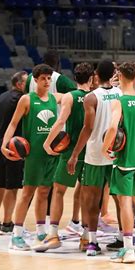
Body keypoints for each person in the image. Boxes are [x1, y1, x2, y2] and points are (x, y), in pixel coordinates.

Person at [32, 63, 95, 251]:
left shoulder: (69, 96)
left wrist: (47, 143)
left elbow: (61, 121)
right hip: (90, 152)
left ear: (75, 79)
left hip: (70, 151)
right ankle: (86, 237)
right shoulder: (95, 97)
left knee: (58, 191)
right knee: (87, 195)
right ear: (91, 79)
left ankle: (53, 235)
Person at [1, 64, 63, 250]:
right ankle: (16, 235)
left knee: (44, 192)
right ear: (35, 80)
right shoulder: (27, 100)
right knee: (27, 193)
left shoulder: (55, 98)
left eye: (49, 78)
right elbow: (12, 124)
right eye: (43, 78)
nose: (46, 81)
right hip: (34, 155)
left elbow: (76, 97)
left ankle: (41, 230)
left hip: (51, 154)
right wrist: (4, 145)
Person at [67, 60, 122, 256]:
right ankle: (123, 239)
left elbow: (88, 128)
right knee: (120, 199)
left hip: (95, 155)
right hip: (116, 153)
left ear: (96, 75)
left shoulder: (91, 98)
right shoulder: (121, 95)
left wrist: (74, 154)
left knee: (91, 199)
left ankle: (92, 242)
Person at [102, 62, 135, 263]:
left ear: (119, 76)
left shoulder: (119, 101)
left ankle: (128, 249)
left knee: (125, 202)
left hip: (125, 160)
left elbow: (113, 129)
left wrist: (104, 148)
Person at [0, 71, 27, 234]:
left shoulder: (2, 97)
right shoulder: (21, 99)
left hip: (0, 144)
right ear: (18, 84)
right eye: (26, 82)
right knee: (12, 187)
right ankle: (7, 223)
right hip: (14, 146)